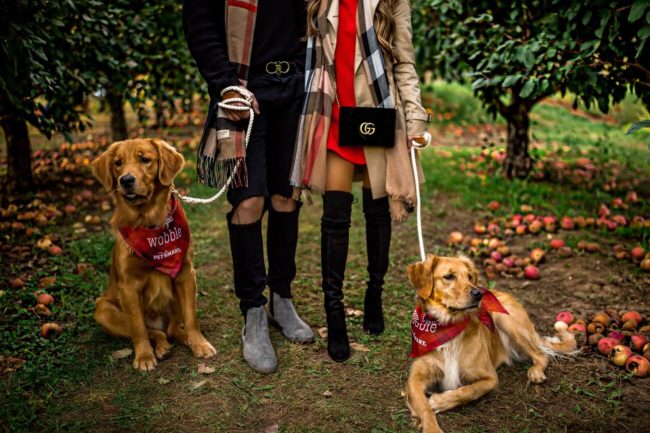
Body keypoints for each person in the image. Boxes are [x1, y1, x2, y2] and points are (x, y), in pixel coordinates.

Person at [290, 0, 431, 362]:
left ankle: (375, 293)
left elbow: (404, 63)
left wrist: (415, 121)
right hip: (333, 112)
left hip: (377, 112)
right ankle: (334, 314)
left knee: (378, 210)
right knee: (335, 218)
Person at [183, 0, 314, 374]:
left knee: (286, 198)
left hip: (296, 87)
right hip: (243, 86)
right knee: (250, 200)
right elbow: (199, 21)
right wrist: (224, 85)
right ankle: (253, 312)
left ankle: (281, 299)